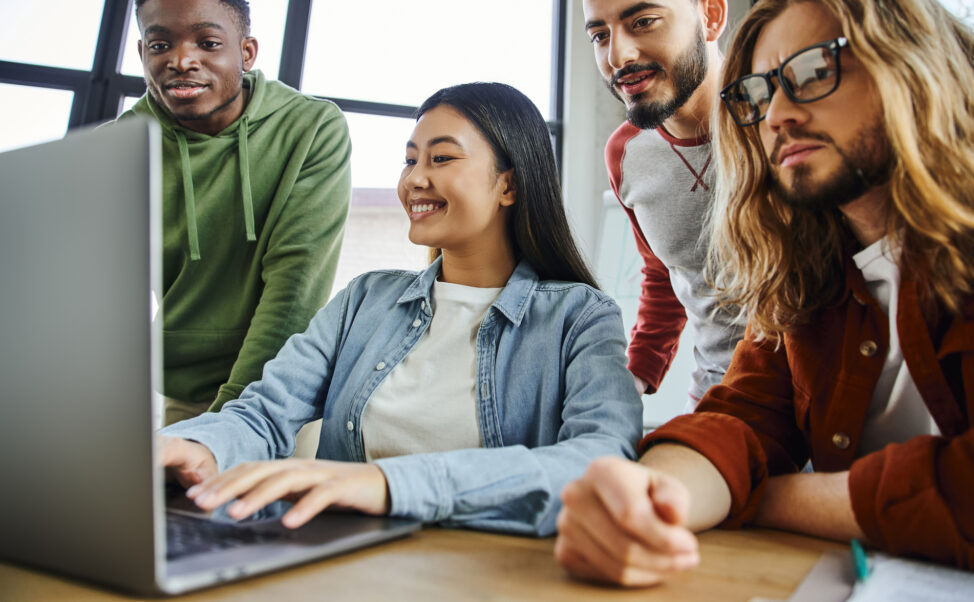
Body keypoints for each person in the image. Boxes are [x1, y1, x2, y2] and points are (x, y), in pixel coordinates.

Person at [555, 0, 974, 584]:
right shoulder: (804, 282)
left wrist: (767, 497)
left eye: (811, 72)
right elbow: (742, 417)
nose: (775, 115)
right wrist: (648, 497)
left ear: (912, 64)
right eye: (759, 92)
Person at [158, 82, 643, 535]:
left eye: (441, 158)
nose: (415, 179)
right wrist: (197, 447)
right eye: (409, 161)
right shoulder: (365, 300)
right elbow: (265, 414)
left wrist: (390, 484)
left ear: (508, 186)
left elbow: (601, 459)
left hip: (491, 573)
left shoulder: (579, 318)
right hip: (340, 558)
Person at [117, 0, 351, 425]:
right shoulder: (123, 146)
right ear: (143, 53)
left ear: (246, 53)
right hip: (180, 388)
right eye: (160, 45)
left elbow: (294, 287)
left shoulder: (311, 128)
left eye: (207, 43)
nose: (181, 60)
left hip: (283, 390)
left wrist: (229, 423)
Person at [582, 0, 744, 403]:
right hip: (716, 402)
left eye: (643, 21)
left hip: (824, 411)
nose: (618, 55)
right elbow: (666, 272)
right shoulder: (624, 155)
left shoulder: (783, 120)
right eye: (599, 35)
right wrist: (634, 377)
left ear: (710, 16)